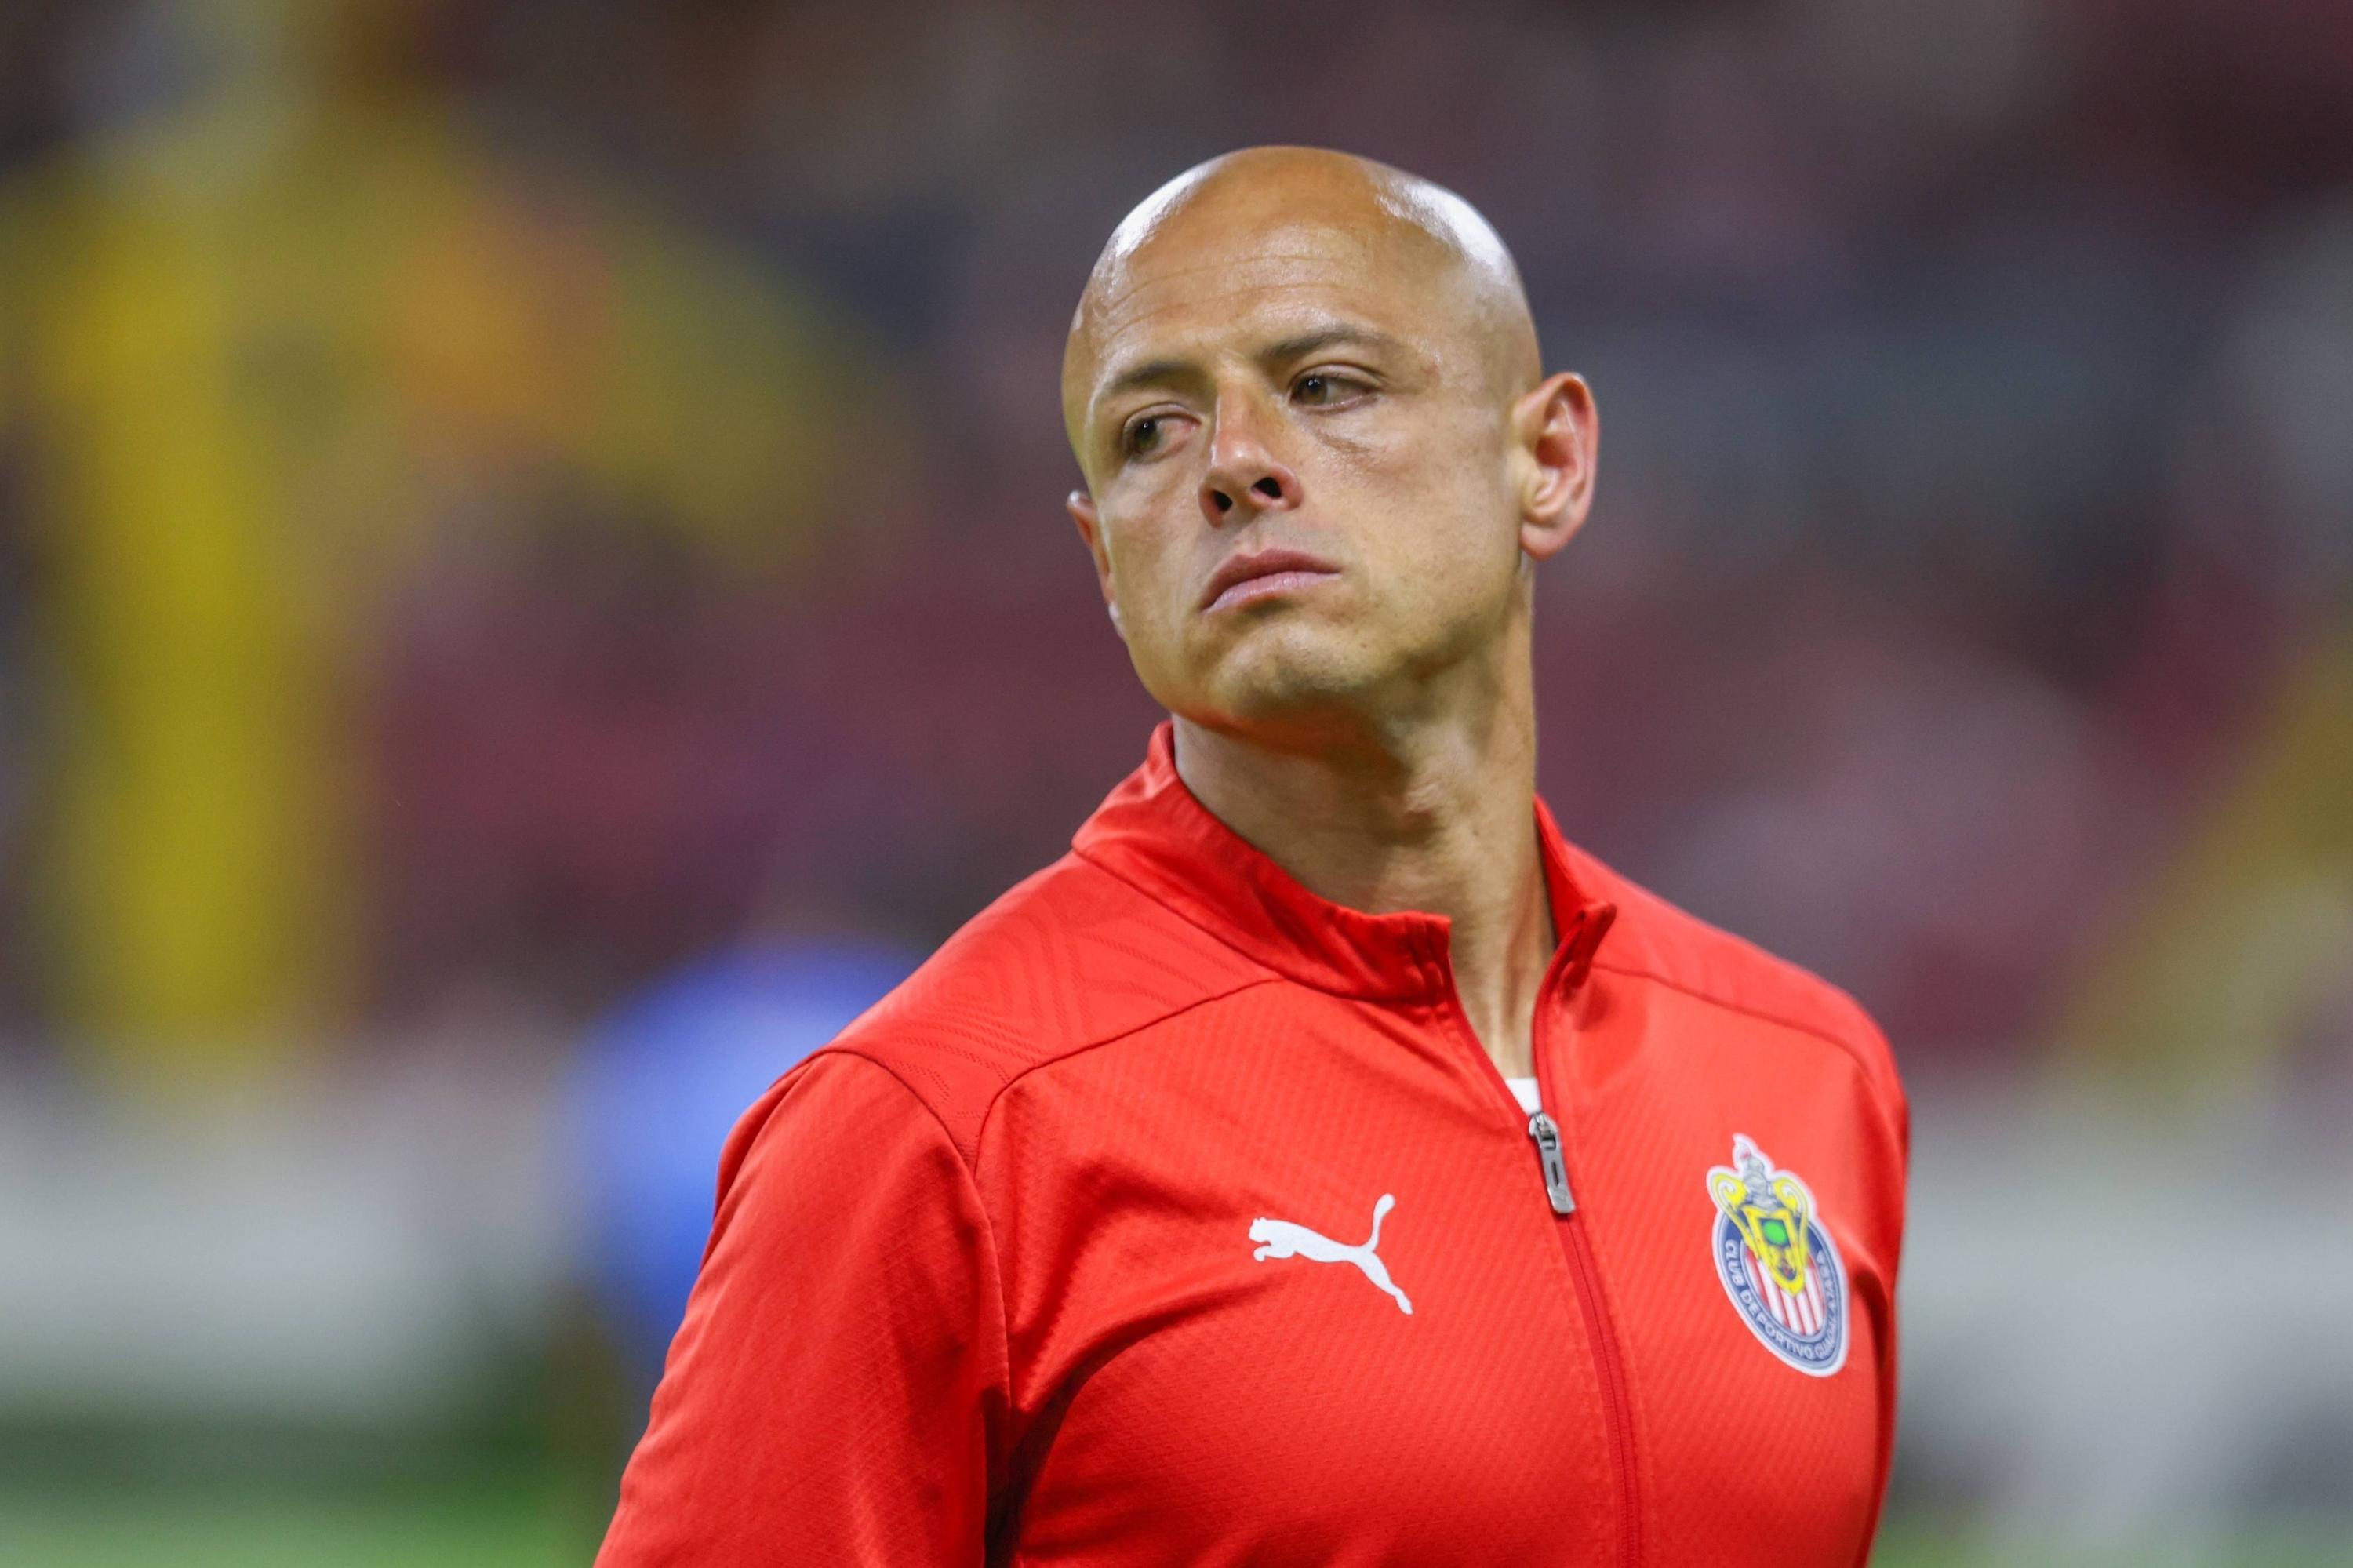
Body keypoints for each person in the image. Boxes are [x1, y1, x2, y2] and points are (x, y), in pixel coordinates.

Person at [595, 145, 1908, 1567]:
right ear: (1107, 564)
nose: (1231, 462)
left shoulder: (1807, 1077)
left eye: (1327, 385)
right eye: (1149, 432)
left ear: (1547, 460)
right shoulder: (937, 1130)